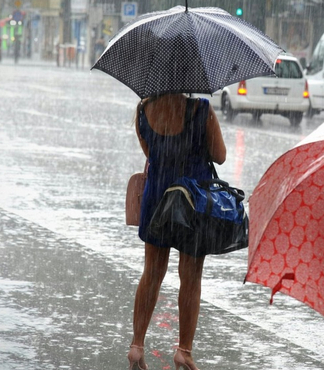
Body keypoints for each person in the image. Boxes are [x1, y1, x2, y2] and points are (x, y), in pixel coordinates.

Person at [127, 93, 226, 370]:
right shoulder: (200, 109)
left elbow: (151, 154)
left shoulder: (143, 110)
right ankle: (184, 350)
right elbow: (220, 155)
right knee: (190, 277)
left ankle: (136, 346)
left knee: (152, 273)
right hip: (191, 200)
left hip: (158, 197)